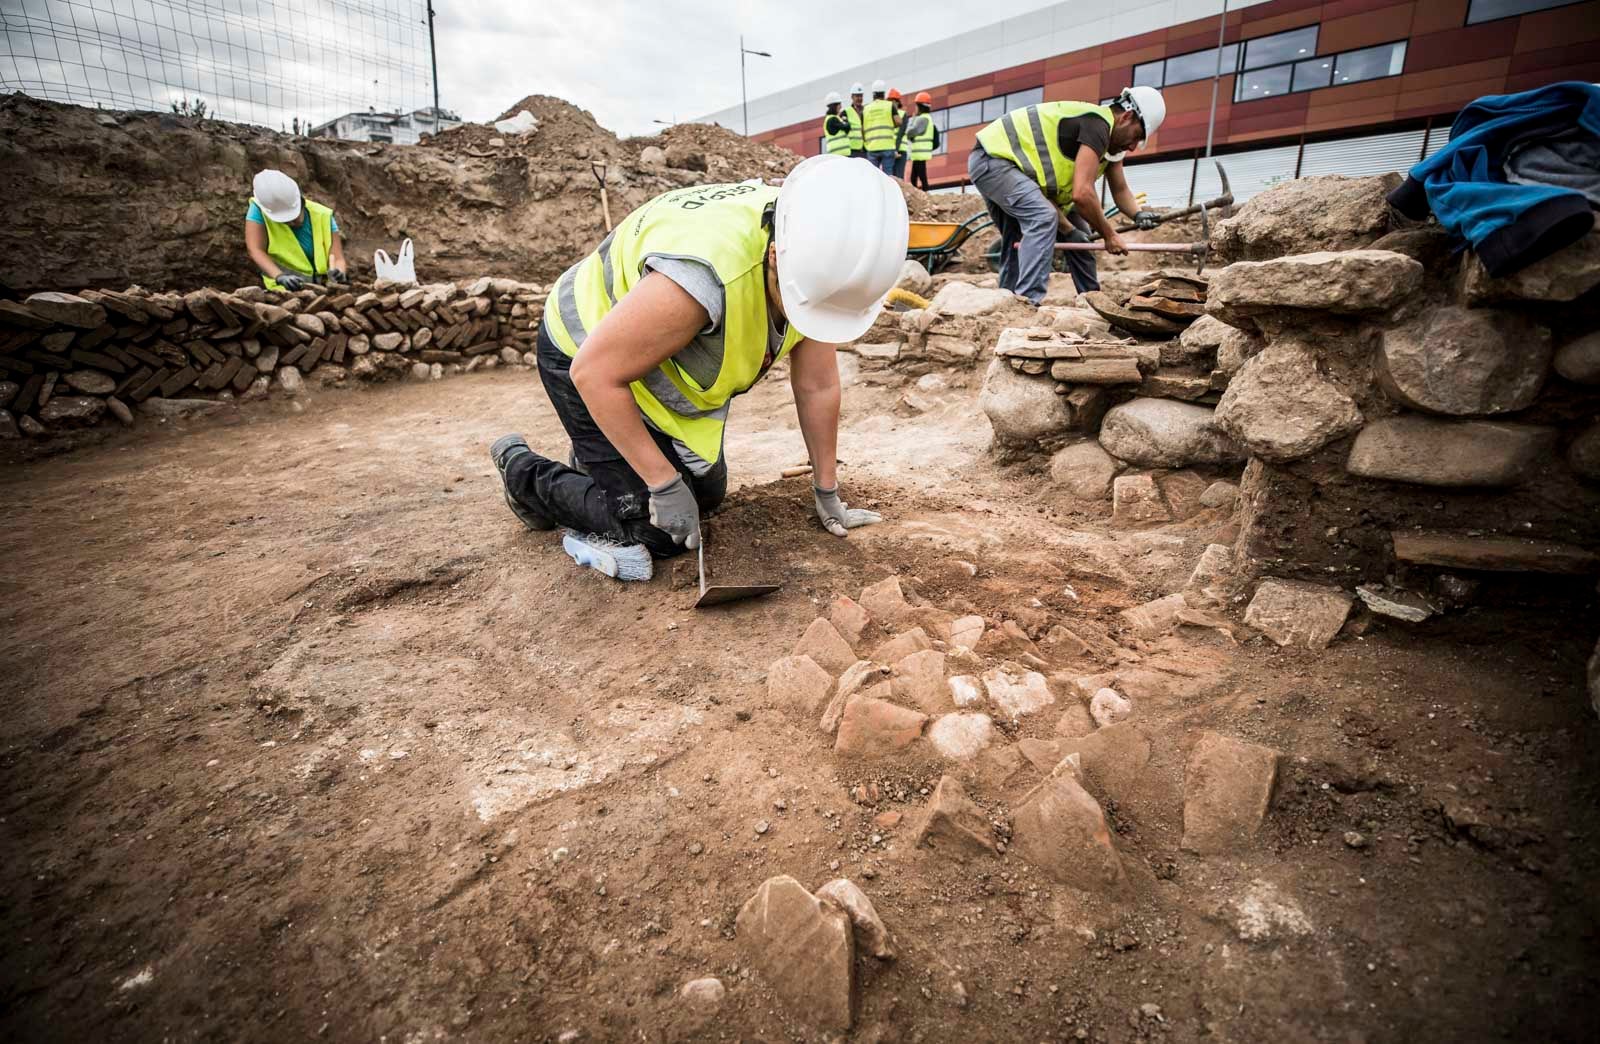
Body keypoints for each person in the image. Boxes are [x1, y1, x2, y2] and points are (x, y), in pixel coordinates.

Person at [488, 155, 910, 568]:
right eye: (807, 307)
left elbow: (817, 385)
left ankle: (603, 459)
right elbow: (594, 373)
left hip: (650, 363)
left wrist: (826, 490)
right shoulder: (703, 277)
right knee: (656, 529)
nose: (811, 322)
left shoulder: (820, 260)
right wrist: (662, 484)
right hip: (584, 350)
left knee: (705, 497)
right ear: (778, 257)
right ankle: (525, 475)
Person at [967, 86, 1166, 302]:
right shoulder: (1097, 126)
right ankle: (1027, 302)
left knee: (1079, 236)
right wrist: (1109, 235)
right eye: (1137, 136)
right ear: (1126, 117)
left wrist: (1138, 214)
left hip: (1029, 179)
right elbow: (1082, 193)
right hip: (995, 160)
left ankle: (1092, 300)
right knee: (1041, 218)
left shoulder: (1112, 146)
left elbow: (1120, 190)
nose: (1134, 147)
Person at [244, 169, 348, 291]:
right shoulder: (259, 210)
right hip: (282, 292)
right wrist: (280, 276)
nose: (291, 223)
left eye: (294, 217)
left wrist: (339, 272)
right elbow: (256, 249)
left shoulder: (323, 215)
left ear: (301, 202)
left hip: (323, 289)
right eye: (284, 220)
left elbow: (337, 257)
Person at [861, 80, 901, 175]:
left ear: (873, 94)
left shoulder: (866, 109)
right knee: (888, 176)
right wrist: (892, 124)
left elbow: (862, 129)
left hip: (872, 147)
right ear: (884, 94)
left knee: (874, 175)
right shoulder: (890, 105)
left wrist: (865, 143)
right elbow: (899, 121)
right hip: (887, 146)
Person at [904, 92, 940, 190]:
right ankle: (920, 197)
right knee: (915, 178)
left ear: (920, 106)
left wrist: (913, 118)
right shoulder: (927, 118)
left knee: (921, 178)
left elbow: (910, 132)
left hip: (920, 153)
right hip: (920, 154)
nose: (915, 108)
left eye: (916, 106)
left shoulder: (922, 119)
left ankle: (924, 197)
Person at [888, 89, 910, 180]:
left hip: (900, 150)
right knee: (890, 178)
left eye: (892, 101)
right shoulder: (888, 113)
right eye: (889, 101)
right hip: (890, 150)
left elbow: (900, 134)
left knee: (899, 177)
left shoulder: (902, 114)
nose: (891, 103)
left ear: (897, 102)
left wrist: (895, 150)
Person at [822, 91, 852, 156]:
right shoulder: (832, 119)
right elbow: (847, 127)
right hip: (840, 154)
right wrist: (846, 121)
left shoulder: (832, 119)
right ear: (834, 106)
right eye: (839, 104)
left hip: (837, 154)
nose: (841, 107)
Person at [846, 82, 867, 158]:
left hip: (866, 149)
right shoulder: (846, 112)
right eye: (857, 96)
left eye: (861, 96)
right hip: (852, 150)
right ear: (852, 97)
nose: (859, 98)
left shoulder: (866, 110)